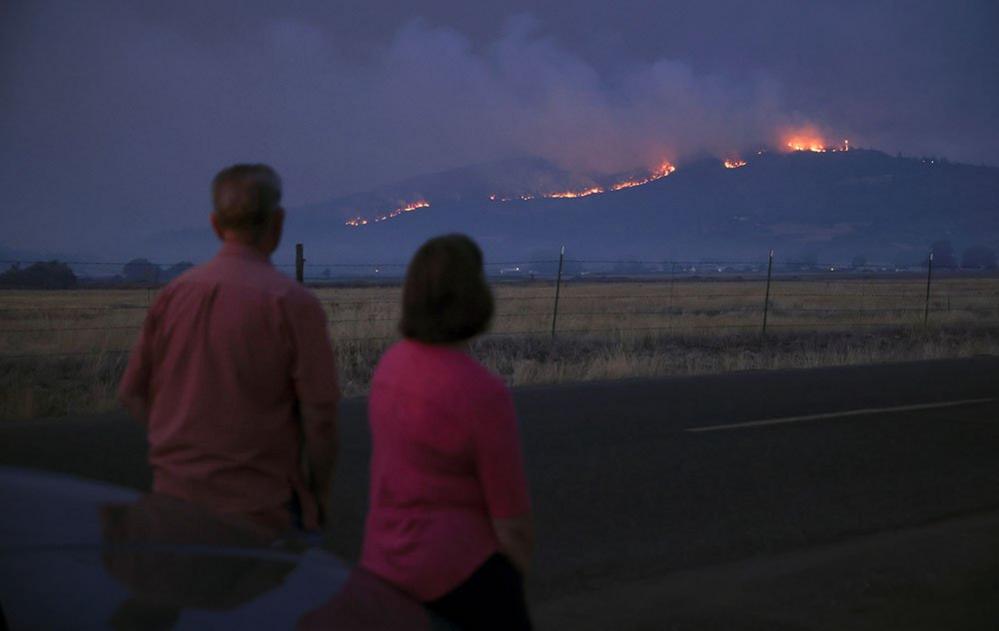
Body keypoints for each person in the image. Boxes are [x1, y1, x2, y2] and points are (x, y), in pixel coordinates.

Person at [118, 164, 340, 536]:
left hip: (174, 502)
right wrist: (319, 494)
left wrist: (182, 448)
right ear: (278, 222)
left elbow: (131, 393)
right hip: (261, 513)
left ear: (215, 225)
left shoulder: (173, 296)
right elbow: (321, 419)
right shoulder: (293, 304)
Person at [360, 234, 534, 630]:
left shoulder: (391, 366)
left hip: (383, 564)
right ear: (476, 297)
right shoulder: (480, 392)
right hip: (456, 575)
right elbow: (512, 522)